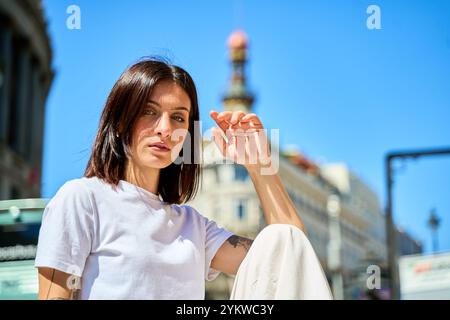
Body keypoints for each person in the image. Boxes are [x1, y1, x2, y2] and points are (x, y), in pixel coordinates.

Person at [35, 57, 332, 300]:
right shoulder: (82, 199)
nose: (165, 128)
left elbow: (290, 252)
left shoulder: (194, 227)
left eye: (178, 117)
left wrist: (260, 165)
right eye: (149, 112)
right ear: (120, 122)